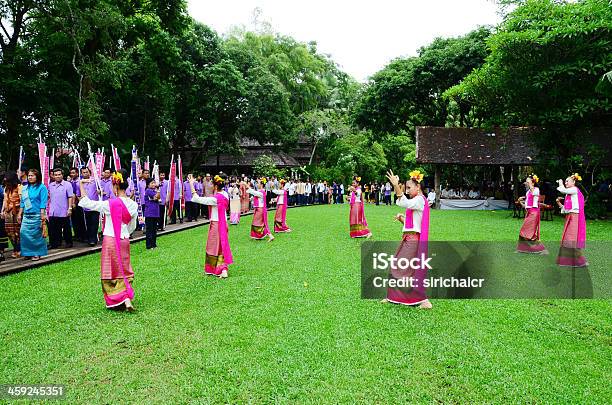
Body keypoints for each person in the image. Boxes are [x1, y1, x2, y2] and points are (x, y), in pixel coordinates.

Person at [79, 169, 138, 311]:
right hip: (124, 240)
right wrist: (124, 233)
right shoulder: (133, 205)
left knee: (111, 271)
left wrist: (81, 184)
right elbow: (132, 226)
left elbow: (86, 202)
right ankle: (126, 298)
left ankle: (119, 298)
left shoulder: (109, 204)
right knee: (124, 269)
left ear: (115, 187)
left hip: (110, 241)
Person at [382, 169, 432, 309]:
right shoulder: (416, 202)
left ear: (418, 187)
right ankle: (395, 297)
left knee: (400, 267)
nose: (408, 190)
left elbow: (403, 201)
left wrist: (395, 185)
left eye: (409, 187)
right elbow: (413, 225)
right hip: (409, 238)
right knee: (405, 269)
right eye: (406, 187)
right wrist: (401, 219)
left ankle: (423, 301)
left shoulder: (420, 200)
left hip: (412, 240)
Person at [189, 174, 233, 278]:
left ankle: (220, 268)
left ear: (216, 186)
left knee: (213, 246)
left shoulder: (214, 199)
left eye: (213, 185)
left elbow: (196, 198)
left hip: (216, 224)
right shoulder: (225, 195)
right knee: (221, 246)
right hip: (223, 224)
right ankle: (222, 268)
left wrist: (191, 184)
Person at [555, 173, 587, 267]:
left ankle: (578, 261)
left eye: (567, 181)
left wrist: (560, 182)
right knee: (567, 238)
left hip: (574, 217)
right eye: (565, 181)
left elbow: (563, 190)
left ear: (573, 182)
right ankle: (567, 260)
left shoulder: (574, 189)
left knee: (571, 238)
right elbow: (566, 209)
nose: (565, 182)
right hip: (570, 216)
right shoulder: (569, 194)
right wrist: (558, 203)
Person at [18, 169, 48, 261]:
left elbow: (43, 202)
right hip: (26, 215)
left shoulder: (42, 187)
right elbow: (22, 202)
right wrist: (20, 214)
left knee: (36, 235)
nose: (30, 177)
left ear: (37, 177)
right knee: (23, 233)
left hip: (37, 214)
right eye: (29, 175)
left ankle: (37, 253)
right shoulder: (25, 188)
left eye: (32, 175)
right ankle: (27, 253)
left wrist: (42, 215)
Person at [516, 174, 547, 254]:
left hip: (534, 212)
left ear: (532, 182)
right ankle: (523, 249)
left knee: (529, 231)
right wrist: (519, 201)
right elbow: (526, 205)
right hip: (529, 212)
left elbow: (534, 193)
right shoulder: (528, 192)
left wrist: (530, 184)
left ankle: (540, 249)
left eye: (527, 180)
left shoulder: (536, 189)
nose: (526, 182)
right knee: (524, 230)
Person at [47, 168, 74, 249]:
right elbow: (49, 196)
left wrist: (69, 208)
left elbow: (70, 197)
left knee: (66, 228)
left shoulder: (67, 184)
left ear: (62, 175)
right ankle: (54, 243)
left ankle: (69, 242)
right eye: (55, 175)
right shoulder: (51, 185)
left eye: (59, 174)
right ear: (53, 176)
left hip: (64, 210)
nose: (57, 176)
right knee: (53, 229)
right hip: (53, 210)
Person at [2, 172, 22, 258]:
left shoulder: (19, 187)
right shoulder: (6, 188)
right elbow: (5, 200)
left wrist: (20, 214)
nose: (7, 183)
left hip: (17, 211)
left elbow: (22, 201)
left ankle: (19, 249)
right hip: (8, 212)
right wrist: (2, 211)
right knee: (9, 231)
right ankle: (15, 248)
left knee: (18, 231)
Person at [80, 167, 100, 246]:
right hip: (86, 207)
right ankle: (89, 239)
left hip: (95, 205)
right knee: (88, 223)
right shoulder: (80, 182)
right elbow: (79, 194)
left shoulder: (95, 181)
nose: (85, 174)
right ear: (81, 174)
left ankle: (93, 240)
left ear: (90, 172)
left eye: (87, 172)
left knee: (94, 223)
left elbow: (100, 189)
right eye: (84, 172)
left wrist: (99, 191)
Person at [69, 167, 87, 242]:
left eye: (73, 173)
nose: (72, 174)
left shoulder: (79, 182)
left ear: (77, 173)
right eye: (71, 173)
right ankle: (77, 235)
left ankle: (84, 236)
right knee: (74, 220)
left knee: (81, 220)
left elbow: (78, 193)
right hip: (72, 204)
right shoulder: (70, 182)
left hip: (80, 203)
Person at [144, 178, 160, 249]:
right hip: (149, 213)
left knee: (154, 230)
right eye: (152, 183)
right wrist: (158, 190)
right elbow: (157, 197)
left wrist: (157, 191)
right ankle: (149, 245)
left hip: (155, 213)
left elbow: (158, 197)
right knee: (149, 230)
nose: (154, 184)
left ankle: (154, 244)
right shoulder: (148, 191)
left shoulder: (154, 190)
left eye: (154, 183)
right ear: (148, 185)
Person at [0, 175, 8, 261]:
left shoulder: (1, 189)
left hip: (1, 214)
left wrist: (3, 211)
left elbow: (4, 200)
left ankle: (1, 252)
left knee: (1, 233)